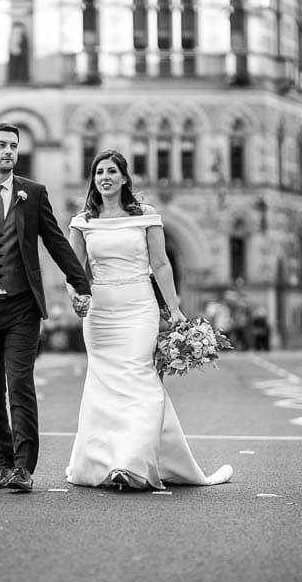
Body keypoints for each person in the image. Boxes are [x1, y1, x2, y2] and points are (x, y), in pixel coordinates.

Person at [64, 149, 232, 491]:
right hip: (100, 315)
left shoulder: (145, 217)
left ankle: (132, 463)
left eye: (112, 171)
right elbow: (73, 270)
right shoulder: (83, 221)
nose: (104, 177)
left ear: (125, 178)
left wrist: (174, 309)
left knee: (141, 380)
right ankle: (102, 462)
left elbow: (162, 265)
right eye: (99, 173)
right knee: (104, 387)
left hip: (139, 308)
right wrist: (75, 296)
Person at [0, 122, 92, 492]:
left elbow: (56, 241)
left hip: (21, 307)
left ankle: (24, 469)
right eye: (2, 145)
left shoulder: (34, 193)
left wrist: (80, 282)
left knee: (20, 383)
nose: (9, 151)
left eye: (14, 146)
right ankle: (3, 464)